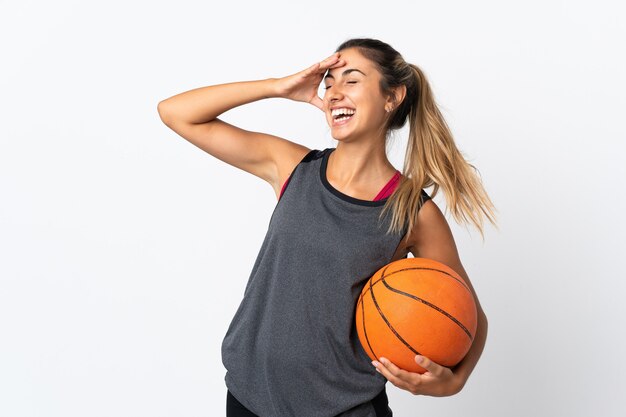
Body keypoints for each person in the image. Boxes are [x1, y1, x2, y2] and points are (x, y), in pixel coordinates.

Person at [158, 37, 497, 417]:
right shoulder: (293, 168)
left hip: (342, 408)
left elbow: (471, 316)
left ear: (393, 97)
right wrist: (279, 87)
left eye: (351, 80)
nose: (334, 92)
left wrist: (454, 381)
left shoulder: (412, 211)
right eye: (329, 82)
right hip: (248, 397)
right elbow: (176, 112)